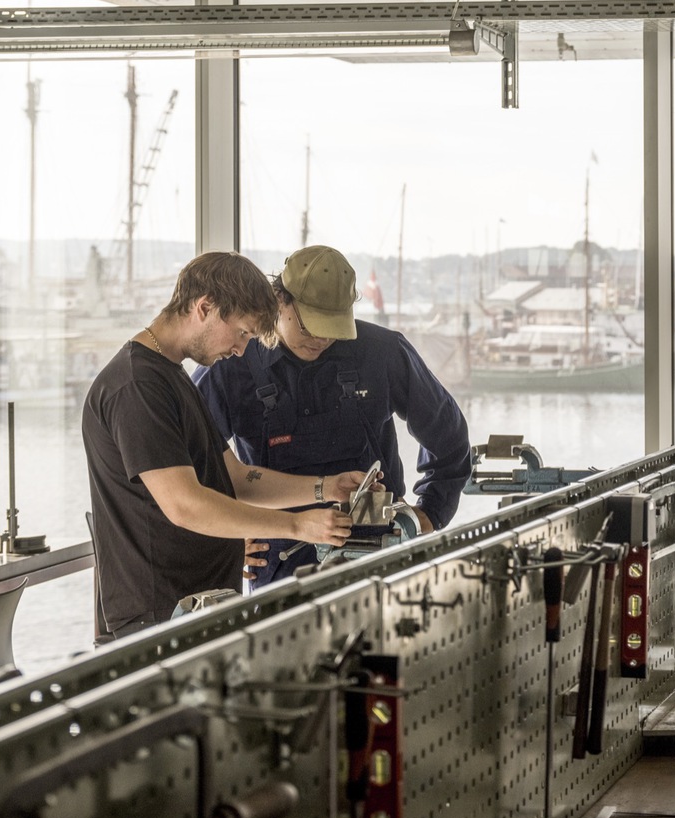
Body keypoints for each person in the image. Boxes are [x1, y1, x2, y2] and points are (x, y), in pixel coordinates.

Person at [82, 252, 362, 642]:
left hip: (198, 606)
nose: (242, 350)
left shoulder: (172, 377)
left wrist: (325, 487)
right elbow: (184, 505)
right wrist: (298, 525)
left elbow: (236, 477)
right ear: (205, 308)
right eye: (243, 333)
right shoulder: (137, 386)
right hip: (159, 617)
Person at [196, 245, 472, 587]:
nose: (322, 338)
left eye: (333, 327)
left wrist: (430, 512)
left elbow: (450, 438)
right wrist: (225, 537)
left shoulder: (382, 352)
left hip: (380, 548)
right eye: (311, 327)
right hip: (278, 558)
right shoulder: (231, 364)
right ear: (279, 300)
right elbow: (190, 466)